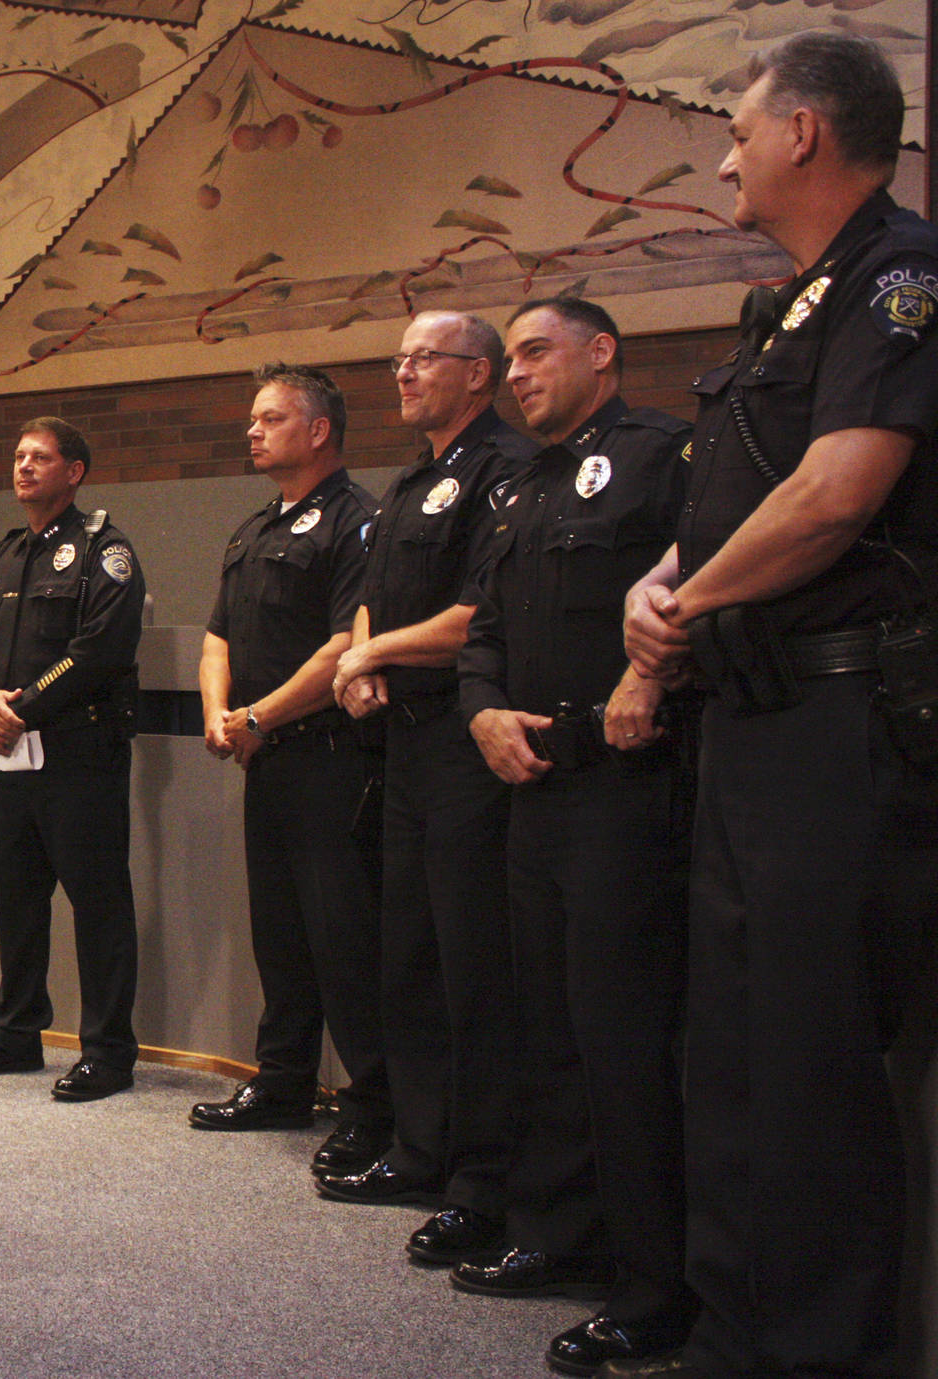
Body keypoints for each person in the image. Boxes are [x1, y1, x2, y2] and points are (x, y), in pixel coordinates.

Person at [616, 32, 938, 1377]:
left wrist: (679, 616)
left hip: (841, 723)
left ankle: (807, 1354)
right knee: (734, 1050)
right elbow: (742, 494)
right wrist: (663, 575)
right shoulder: (788, 304)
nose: (727, 153)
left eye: (739, 129)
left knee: (806, 1063)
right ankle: (735, 1331)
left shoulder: (901, 277)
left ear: (804, 130)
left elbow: (836, 493)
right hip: (751, 723)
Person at [454, 299, 695, 1375]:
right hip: (529, 787)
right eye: (506, 360)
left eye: (534, 352)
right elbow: (483, 630)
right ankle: (554, 1230)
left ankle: (650, 1283)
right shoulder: (515, 487)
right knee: (541, 1018)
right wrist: (479, 710)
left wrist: (646, 681)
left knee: (620, 1035)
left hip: (623, 786)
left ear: (602, 352)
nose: (516, 375)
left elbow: (696, 591)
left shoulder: (656, 458)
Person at [322, 312, 536, 1276]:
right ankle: (418, 1149)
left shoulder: (505, 466)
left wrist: (374, 652)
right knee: (403, 957)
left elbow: (479, 611)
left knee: (471, 969)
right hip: (400, 745)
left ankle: (482, 1183)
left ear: (476, 373)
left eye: (422, 359)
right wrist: (363, 658)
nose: (401, 372)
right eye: (398, 359)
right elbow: (375, 592)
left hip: (464, 739)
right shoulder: (408, 477)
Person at [190, 365, 390, 1178]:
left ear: (318, 431)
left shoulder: (358, 521)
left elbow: (346, 644)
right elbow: (217, 640)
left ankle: (373, 1106)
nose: (252, 430)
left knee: (345, 937)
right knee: (280, 934)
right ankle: (282, 1082)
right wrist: (218, 714)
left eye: (270, 417)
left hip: (329, 759)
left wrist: (261, 716)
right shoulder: (252, 530)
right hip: (263, 759)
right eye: (251, 418)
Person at [0, 417, 146, 1102]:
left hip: (79, 752)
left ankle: (108, 1051)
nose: (24, 467)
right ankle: (17, 1031)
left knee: (98, 904)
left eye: (41, 457)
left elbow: (98, 651)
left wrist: (20, 703)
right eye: (19, 455)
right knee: (17, 898)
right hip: (11, 755)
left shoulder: (104, 550)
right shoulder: (4, 554)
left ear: (74, 472)